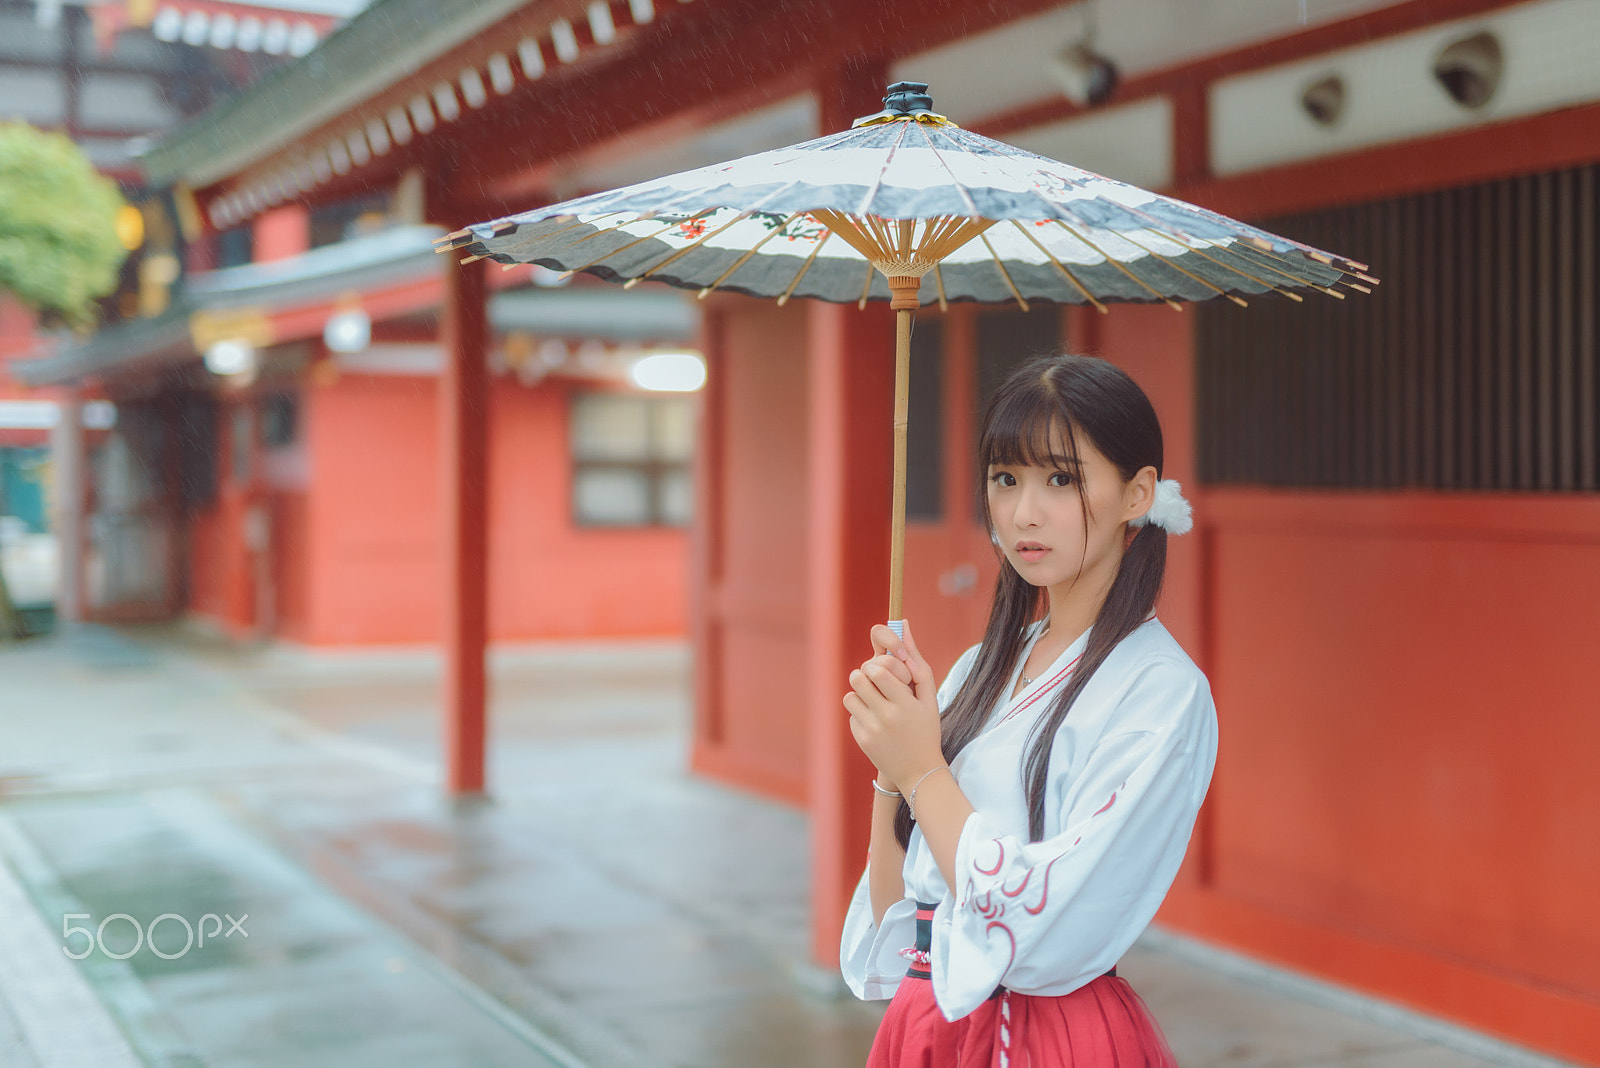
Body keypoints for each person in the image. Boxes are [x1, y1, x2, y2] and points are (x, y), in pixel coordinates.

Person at [840, 353, 1217, 1067]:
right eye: (1005, 479)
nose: (1022, 513)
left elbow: (1045, 922)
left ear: (1138, 494)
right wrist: (893, 768)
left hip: (1049, 1035)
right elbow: (899, 930)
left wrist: (923, 769)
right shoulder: (980, 667)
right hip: (929, 1021)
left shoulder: (1162, 693)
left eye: (1061, 479)